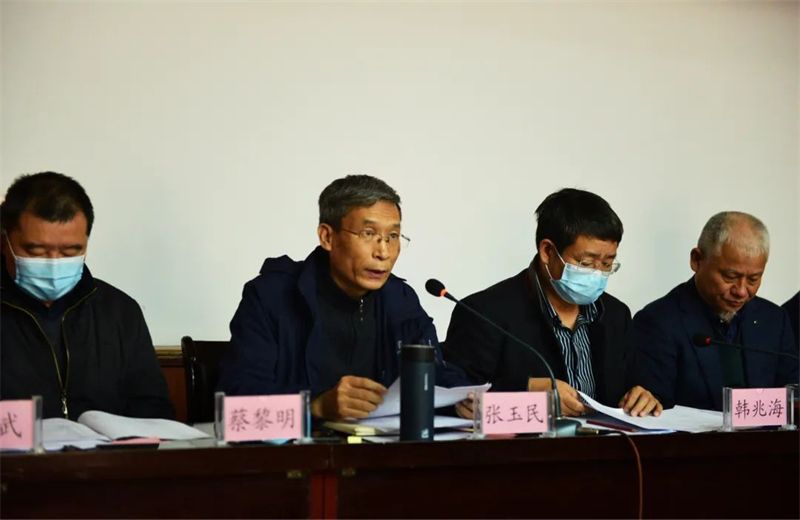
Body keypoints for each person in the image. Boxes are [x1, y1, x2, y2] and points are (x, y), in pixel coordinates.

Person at [218, 175, 469, 420]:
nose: (383, 252)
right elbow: (238, 397)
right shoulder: (271, 296)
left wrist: (462, 399)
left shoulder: (400, 298)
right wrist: (316, 406)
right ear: (327, 237)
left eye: (393, 237)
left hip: (383, 445)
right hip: (300, 447)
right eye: (368, 233)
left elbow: (435, 373)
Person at [443, 188, 662, 417]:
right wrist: (528, 390)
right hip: (527, 439)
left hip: (607, 438)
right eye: (586, 263)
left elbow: (635, 386)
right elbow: (456, 397)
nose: (597, 273)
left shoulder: (616, 315)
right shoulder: (485, 313)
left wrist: (643, 396)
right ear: (547, 251)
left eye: (607, 264)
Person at [1, 172, 174, 420]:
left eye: (70, 251)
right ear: (4, 241)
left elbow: (154, 410)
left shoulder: (120, 311)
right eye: (36, 250)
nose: (54, 263)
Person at [632, 212, 798, 411]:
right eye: (730, 277)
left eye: (753, 279)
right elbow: (655, 407)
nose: (741, 291)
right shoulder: (658, 322)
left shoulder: (774, 320)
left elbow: (793, 396)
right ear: (697, 260)